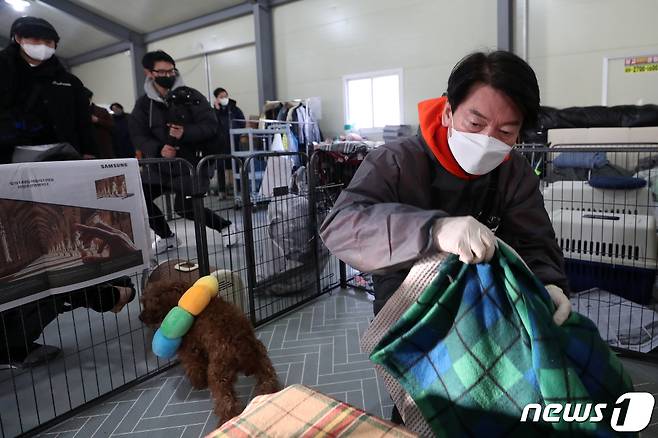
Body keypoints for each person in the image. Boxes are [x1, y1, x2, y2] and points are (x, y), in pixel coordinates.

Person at [319, 51, 572, 425]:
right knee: (422, 405)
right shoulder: (397, 162)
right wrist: (435, 230)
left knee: (489, 401)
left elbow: (534, 240)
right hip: (410, 310)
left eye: (505, 132)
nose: (488, 140)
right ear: (448, 112)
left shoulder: (512, 173)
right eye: (476, 122)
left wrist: (548, 283)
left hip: (489, 313)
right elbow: (342, 225)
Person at [129, 50, 237, 253]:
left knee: (185, 207)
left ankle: (226, 227)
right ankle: (167, 236)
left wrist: (185, 133)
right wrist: (158, 149)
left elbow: (211, 126)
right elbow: (138, 134)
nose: (168, 75)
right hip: (160, 164)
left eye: (171, 71)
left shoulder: (192, 96)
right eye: (161, 72)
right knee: (139, 199)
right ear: (149, 72)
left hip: (191, 163)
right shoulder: (144, 105)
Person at [0, 16, 98, 164]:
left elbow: (83, 121)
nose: (43, 46)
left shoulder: (69, 81)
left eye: (48, 42)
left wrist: (89, 151)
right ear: (18, 38)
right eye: (36, 40)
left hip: (63, 157)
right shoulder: (5, 71)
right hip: (8, 157)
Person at [213, 87, 246, 197]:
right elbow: (213, 123)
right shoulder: (214, 111)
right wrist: (217, 110)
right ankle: (222, 191)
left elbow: (242, 121)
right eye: (221, 97)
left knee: (237, 165)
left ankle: (239, 190)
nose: (224, 98)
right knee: (220, 167)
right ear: (216, 99)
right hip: (221, 143)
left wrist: (237, 133)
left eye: (225, 96)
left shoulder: (234, 109)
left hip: (235, 142)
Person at [84, 87, 115, 159]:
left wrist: (98, 120)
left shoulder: (101, 110)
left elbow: (112, 125)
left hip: (102, 147)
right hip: (87, 148)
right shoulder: (77, 112)